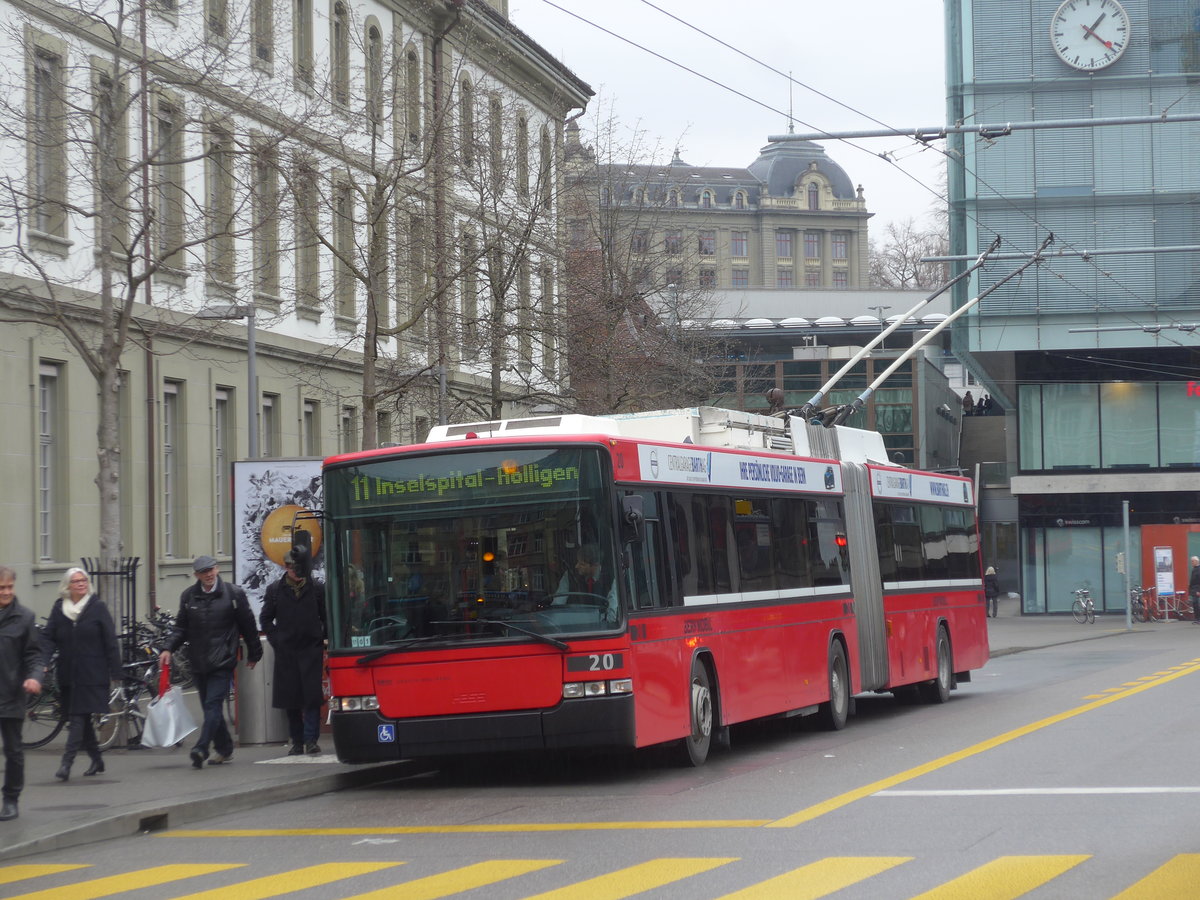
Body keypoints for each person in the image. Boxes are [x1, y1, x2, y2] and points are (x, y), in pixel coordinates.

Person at [159, 556, 262, 769]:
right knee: (209, 709)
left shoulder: (233, 594)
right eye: (203, 572)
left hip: (223, 660)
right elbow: (181, 628)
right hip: (198, 661)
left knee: (212, 705)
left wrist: (254, 654)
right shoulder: (189, 596)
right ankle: (224, 748)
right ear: (196, 575)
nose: (208, 574)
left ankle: (201, 748)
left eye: (211, 570)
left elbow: (248, 625)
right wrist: (168, 648)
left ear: (217, 569)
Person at [40, 568, 121, 782]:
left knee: (77, 717)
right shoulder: (59, 608)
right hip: (68, 674)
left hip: (92, 673)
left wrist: (116, 672)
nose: (81, 584)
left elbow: (110, 641)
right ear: (67, 585)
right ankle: (97, 759)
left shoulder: (97, 607)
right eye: (76, 581)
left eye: (84, 580)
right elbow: (48, 637)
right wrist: (43, 661)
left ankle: (66, 764)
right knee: (81, 718)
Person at [260, 551, 327, 756]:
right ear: (285, 567)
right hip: (287, 651)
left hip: (310, 650)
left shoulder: (316, 589)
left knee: (312, 697)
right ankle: (297, 741)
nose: (294, 571)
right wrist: (277, 640)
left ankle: (311, 740)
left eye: (298, 568)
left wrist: (323, 639)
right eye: (290, 567)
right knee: (291, 699)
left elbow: (326, 616)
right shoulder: (275, 590)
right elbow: (265, 619)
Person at [0, 566, 44, 821]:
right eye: (1, 588)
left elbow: (34, 655)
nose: (6, 592)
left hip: (11, 693)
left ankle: (11, 799)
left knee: (13, 751)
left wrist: (34, 677)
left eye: (9, 587)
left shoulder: (24, 618)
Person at [552, 544, 617, 618]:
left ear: (595, 565)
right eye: (577, 562)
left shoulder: (611, 579)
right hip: (574, 621)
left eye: (582, 564)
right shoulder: (569, 576)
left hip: (601, 623)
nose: (576, 566)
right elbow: (557, 603)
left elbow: (612, 612)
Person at [1190, 556, 1200, 624]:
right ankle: (1197, 619)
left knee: (1196, 603)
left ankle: (1198, 619)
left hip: (1197, 589)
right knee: (1194, 604)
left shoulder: (1198, 569)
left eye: (1192, 561)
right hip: (1194, 589)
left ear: (1196, 561)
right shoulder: (1194, 569)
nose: (1192, 563)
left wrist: (1198, 590)